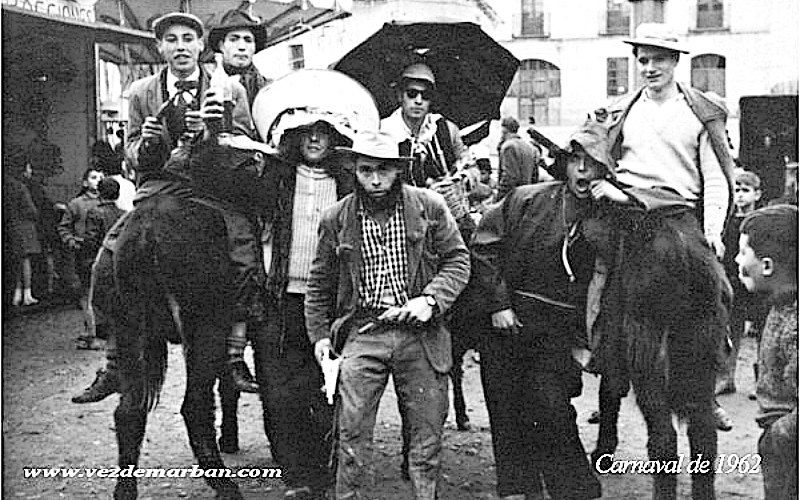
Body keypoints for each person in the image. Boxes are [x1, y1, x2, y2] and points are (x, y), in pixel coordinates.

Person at [71, 11, 257, 402]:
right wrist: (151, 144)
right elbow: (132, 156)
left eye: (188, 38)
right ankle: (116, 362)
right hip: (158, 188)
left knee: (244, 251)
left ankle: (234, 352)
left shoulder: (229, 91)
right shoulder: (141, 92)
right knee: (106, 260)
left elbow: (245, 150)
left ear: (201, 45)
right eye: (171, 40)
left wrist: (215, 133)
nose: (180, 47)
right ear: (160, 48)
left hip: (211, 188)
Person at [587, 21, 736, 459]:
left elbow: (715, 177)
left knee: (718, 288)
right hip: (628, 215)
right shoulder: (624, 110)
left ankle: (714, 368)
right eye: (643, 60)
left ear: (675, 62)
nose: (649, 67)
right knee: (601, 286)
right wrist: (606, 189)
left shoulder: (699, 112)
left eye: (657, 59)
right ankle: (602, 354)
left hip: (678, 215)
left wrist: (711, 232)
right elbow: (607, 163)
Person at [305, 131, 470, 500]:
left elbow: (458, 259)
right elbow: (319, 283)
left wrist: (430, 300)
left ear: (398, 170)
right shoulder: (337, 217)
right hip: (364, 332)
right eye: (366, 171)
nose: (375, 181)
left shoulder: (428, 207)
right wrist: (319, 337)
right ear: (355, 171)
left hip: (420, 335)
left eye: (384, 171)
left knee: (426, 438)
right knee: (351, 435)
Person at [469, 124, 605, 500]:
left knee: (551, 406)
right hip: (508, 320)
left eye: (592, 164)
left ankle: (573, 490)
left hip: (559, 330)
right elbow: (483, 247)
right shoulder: (527, 198)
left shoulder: (609, 217)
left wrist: (586, 342)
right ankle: (519, 489)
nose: (582, 171)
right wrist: (498, 304)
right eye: (576, 161)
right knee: (506, 406)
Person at [253, 113, 357, 500]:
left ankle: (323, 472)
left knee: (326, 388)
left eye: (324, 133)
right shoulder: (275, 176)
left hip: (330, 301)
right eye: (308, 132)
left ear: (334, 139)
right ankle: (293, 472)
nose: (315, 139)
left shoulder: (346, 181)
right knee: (279, 389)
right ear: (295, 137)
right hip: (280, 296)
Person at [735, 205, 797, 500]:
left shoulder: (794, 324)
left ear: (768, 266)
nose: (736, 260)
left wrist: (780, 436)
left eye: (744, 252)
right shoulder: (779, 306)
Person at [380, 62, 479, 240]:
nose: (418, 100)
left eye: (425, 95)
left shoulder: (445, 129)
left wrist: (461, 182)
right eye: (412, 94)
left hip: (448, 222)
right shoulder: (384, 132)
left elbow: (472, 168)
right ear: (399, 96)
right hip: (403, 225)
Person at [718, 170, 765, 398]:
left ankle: (763, 381)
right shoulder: (727, 221)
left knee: (762, 330)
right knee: (731, 328)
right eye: (736, 190)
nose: (740, 195)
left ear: (757, 194)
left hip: (756, 282)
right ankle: (727, 377)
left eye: (745, 191)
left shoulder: (761, 222)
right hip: (733, 281)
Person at [58, 167, 104, 340]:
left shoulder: (105, 202)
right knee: (86, 292)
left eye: (100, 177)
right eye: (93, 177)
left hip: (102, 251)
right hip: (84, 253)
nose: (97, 180)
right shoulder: (76, 204)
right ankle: (90, 328)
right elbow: (64, 227)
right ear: (85, 182)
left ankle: (98, 327)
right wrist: (71, 241)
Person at [208, 8, 270, 109]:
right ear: (221, 46)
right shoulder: (206, 84)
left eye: (248, 40)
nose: (241, 47)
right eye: (233, 39)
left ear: (254, 47)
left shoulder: (267, 89)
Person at [3, 159, 42, 308]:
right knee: (25, 261)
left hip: (9, 227)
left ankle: (15, 293)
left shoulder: (6, 185)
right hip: (23, 228)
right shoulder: (21, 187)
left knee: (14, 261)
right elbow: (31, 210)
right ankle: (27, 293)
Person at [495, 116, 539, 201]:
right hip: (526, 197)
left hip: (512, 198)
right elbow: (535, 176)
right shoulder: (530, 147)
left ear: (504, 129)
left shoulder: (509, 146)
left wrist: (499, 198)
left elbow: (509, 176)